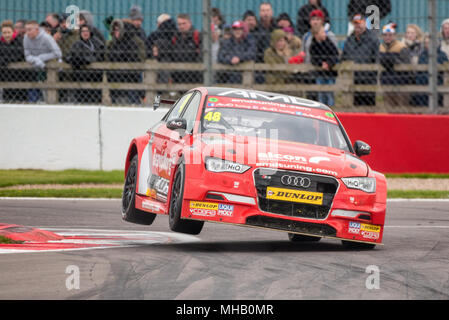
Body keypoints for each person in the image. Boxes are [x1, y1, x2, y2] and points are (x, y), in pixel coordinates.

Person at [341, 13, 379, 106]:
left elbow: (377, 59)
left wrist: (371, 74)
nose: (357, 25)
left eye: (359, 23)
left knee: (369, 108)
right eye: (355, 23)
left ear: (365, 23)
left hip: (368, 81)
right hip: (353, 80)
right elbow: (343, 58)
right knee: (355, 108)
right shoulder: (349, 40)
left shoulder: (373, 39)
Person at [106, 19, 145, 104]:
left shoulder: (133, 43)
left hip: (130, 79)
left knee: (132, 103)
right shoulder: (112, 43)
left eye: (118, 30)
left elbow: (138, 59)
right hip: (114, 80)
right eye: (115, 30)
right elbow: (108, 58)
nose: (116, 32)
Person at [23, 20, 62, 102]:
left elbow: (58, 53)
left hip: (50, 64)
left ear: (36, 29)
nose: (27, 32)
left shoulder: (46, 37)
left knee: (49, 86)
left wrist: (41, 58)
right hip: (35, 65)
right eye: (26, 30)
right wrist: (36, 60)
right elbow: (27, 55)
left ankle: (52, 101)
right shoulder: (25, 38)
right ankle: (34, 101)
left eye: (30, 30)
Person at [66, 24, 105, 103]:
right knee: (81, 100)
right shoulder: (76, 45)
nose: (85, 33)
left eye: (87, 31)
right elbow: (71, 58)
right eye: (83, 31)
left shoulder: (97, 43)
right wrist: (85, 60)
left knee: (95, 100)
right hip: (81, 77)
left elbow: (100, 56)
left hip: (95, 77)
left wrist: (88, 59)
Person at [379, 22, 410, 107]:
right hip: (386, 83)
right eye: (385, 35)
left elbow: (406, 65)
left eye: (390, 35)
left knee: (402, 109)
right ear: (382, 36)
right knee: (389, 108)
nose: (388, 37)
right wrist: (391, 60)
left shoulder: (401, 47)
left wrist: (390, 60)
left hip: (401, 84)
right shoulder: (381, 47)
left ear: (395, 35)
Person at [413, 34, 448, 107]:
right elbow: (419, 71)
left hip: (436, 85)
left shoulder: (442, 55)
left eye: (429, 43)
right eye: (426, 43)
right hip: (422, 86)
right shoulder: (422, 55)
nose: (427, 45)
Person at [310, 26, 339, 106]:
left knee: (330, 94)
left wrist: (328, 64)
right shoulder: (313, 46)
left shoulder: (329, 43)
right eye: (322, 32)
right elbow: (313, 59)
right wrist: (321, 64)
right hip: (319, 73)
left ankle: (331, 110)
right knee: (321, 94)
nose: (324, 34)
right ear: (316, 35)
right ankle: (322, 110)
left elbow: (335, 55)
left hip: (330, 73)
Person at [170, 14, 203, 83]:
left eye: (184, 24)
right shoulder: (175, 37)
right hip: (177, 76)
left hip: (194, 76)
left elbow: (201, 55)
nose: (181, 26)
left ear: (190, 23)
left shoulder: (197, 36)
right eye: (179, 24)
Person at [0, 20, 25, 101]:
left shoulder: (19, 41)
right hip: (5, 76)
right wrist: (7, 59)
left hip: (20, 76)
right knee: (7, 98)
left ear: (13, 31)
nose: (7, 35)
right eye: (4, 32)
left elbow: (18, 56)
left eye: (8, 32)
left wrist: (5, 59)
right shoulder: (1, 43)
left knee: (21, 99)